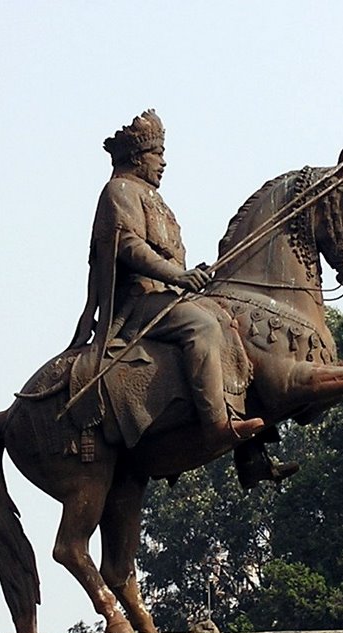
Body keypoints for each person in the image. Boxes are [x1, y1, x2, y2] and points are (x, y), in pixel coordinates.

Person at [70, 109, 263, 449]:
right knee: (202, 325)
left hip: (167, 296)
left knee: (229, 317)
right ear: (136, 157)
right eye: (157, 154)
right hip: (137, 304)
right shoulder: (120, 191)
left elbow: (169, 257)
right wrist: (179, 276)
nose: (163, 162)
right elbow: (129, 246)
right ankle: (216, 425)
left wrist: (191, 276)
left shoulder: (153, 199)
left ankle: (250, 451)